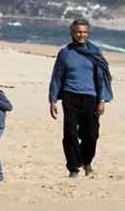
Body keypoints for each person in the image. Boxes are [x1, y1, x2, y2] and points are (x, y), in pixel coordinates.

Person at [47, 18, 113, 178]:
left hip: (90, 97)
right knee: (70, 133)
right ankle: (73, 168)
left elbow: (100, 77)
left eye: (84, 32)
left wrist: (102, 100)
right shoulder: (65, 53)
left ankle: (86, 161)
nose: (81, 35)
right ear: (72, 33)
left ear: (88, 33)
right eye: (78, 32)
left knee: (91, 134)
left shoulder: (95, 52)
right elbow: (57, 76)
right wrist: (53, 99)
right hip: (70, 96)